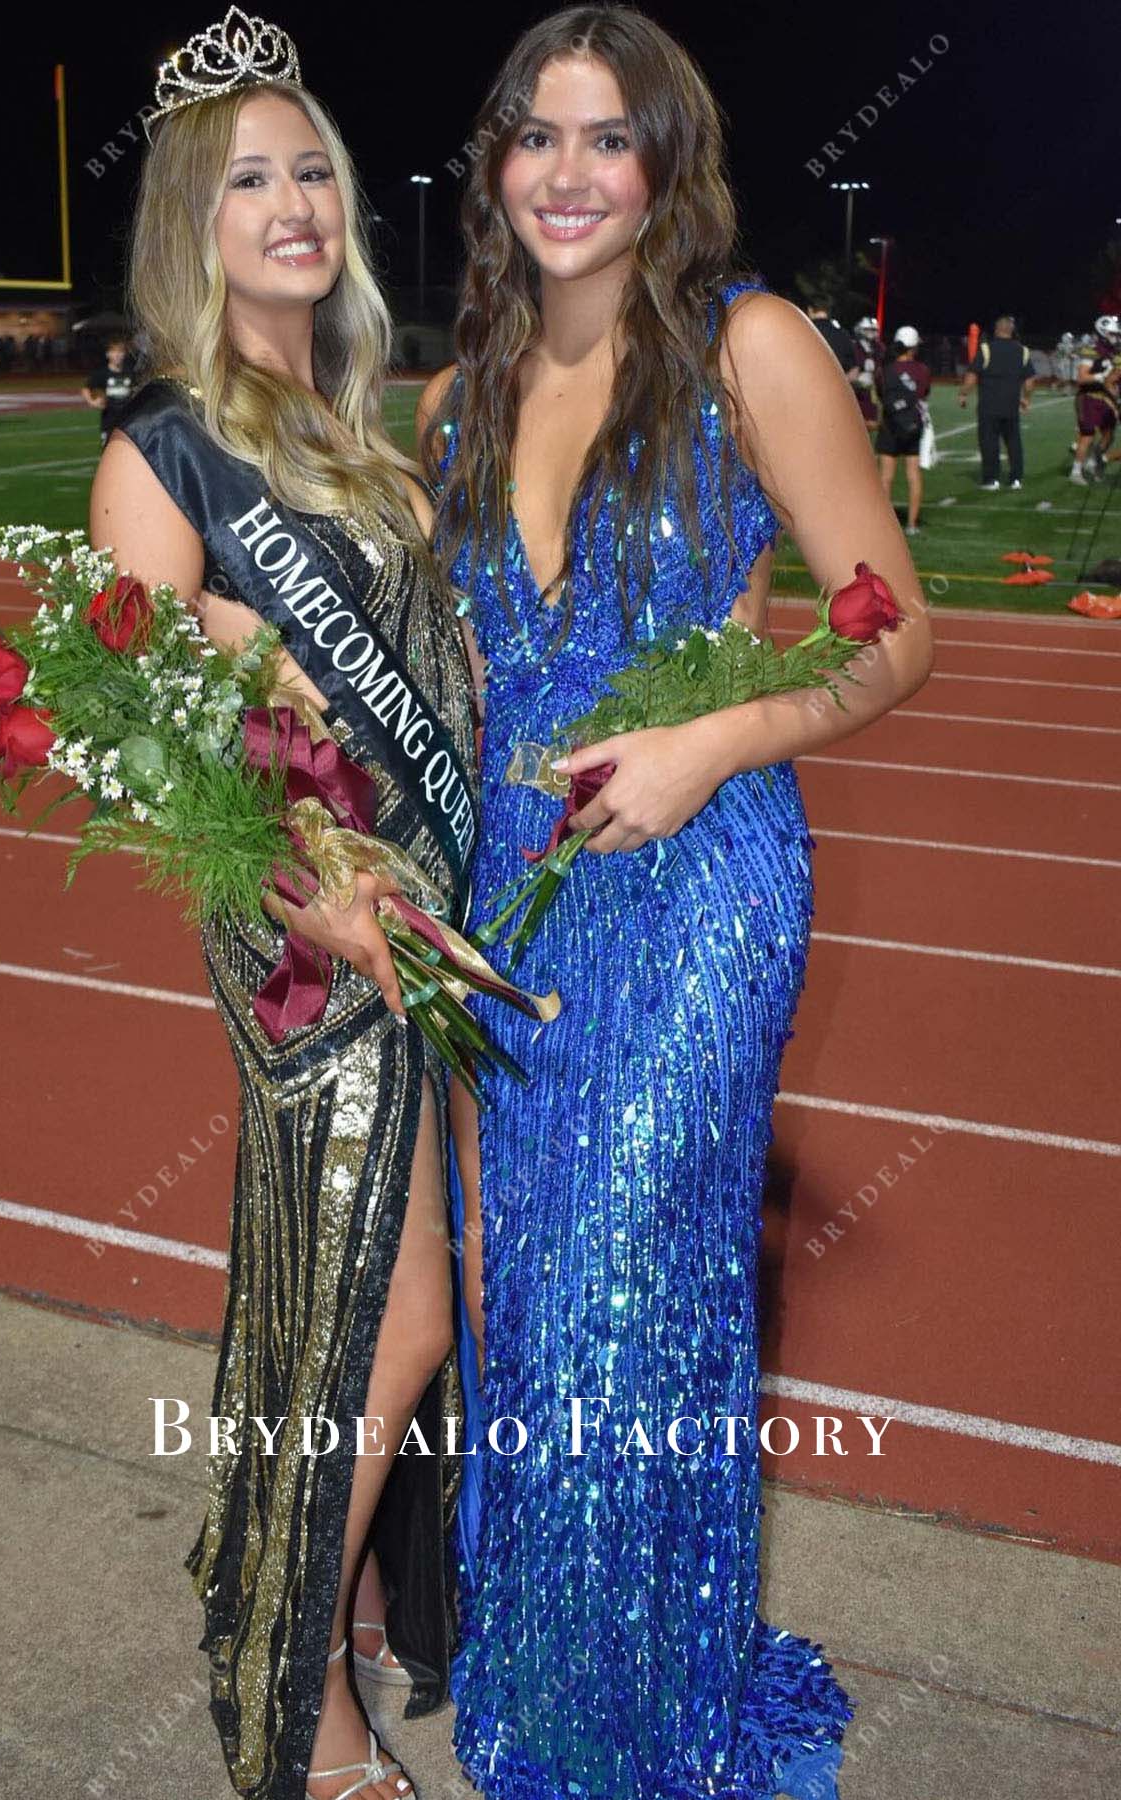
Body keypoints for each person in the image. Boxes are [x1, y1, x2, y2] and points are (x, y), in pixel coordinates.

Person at [418, 8, 933, 1798]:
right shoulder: (454, 394)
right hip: (518, 901)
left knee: (636, 1283)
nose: (568, 175)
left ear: (663, 165)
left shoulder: (750, 346)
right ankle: (569, 1681)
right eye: (535, 138)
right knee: (545, 1292)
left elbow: (896, 629)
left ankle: (639, 1733)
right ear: (496, 166)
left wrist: (715, 741)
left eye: (605, 139)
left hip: (702, 879)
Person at [89, 14, 479, 1799]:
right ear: (192, 217)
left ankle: (296, 1591)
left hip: (418, 920)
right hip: (312, 955)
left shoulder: (349, 416)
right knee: (371, 1319)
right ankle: (292, 1692)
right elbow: (148, 768)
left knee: (366, 1309)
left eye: (312, 166)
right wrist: (317, 915)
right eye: (251, 177)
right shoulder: (161, 451)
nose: (297, 200)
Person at [958, 313, 1037, 490]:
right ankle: (1016, 478)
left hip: (989, 407)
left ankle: (991, 479)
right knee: (1014, 443)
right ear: (1012, 330)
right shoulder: (1022, 351)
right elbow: (1030, 382)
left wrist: (963, 394)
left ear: (996, 330)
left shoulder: (986, 349)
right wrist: (1026, 399)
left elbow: (972, 376)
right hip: (1011, 407)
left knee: (989, 443)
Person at [875, 325, 931, 533]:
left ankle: (883, 525)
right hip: (913, 425)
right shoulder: (923, 370)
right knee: (913, 474)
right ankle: (912, 524)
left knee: (885, 477)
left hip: (890, 425)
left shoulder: (884, 370)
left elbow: (881, 395)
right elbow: (924, 394)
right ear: (913, 347)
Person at [1069, 315, 1120, 485]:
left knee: (1109, 434)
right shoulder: (1092, 349)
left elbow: (1112, 379)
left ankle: (1092, 463)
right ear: (1103, 332)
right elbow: (1081, 378)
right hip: (1088, 397)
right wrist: (1101, 376)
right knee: (1087, 436)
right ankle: (1076, 471)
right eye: (1113, 334)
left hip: (1105, 398)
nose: (1116, 337)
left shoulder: (1112, 352)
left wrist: (1115, 397)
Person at [80, 338, 137, 446]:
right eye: (114, 352)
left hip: (128, 419)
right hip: (109, 420)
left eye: (120, 352)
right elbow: (86, 388)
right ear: (108, 354)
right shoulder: (102, 373)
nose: (117, 355)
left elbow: (137, 389)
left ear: (124, 354)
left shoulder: (130, 373)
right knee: (108, 450)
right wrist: (92, 402)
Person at [804, 301, 857, 382]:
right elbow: (854, 370)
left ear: (810, 310)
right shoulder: (843, 334)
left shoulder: (803, 331)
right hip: (836, 389)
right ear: (828, 312)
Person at [850, 315, 882, 434]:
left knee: (871, 425)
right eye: (868, 329)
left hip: (871, 392)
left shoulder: (878, 347)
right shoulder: (853, 346)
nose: (871, 333)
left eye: (873, 330)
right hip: (855, 391)